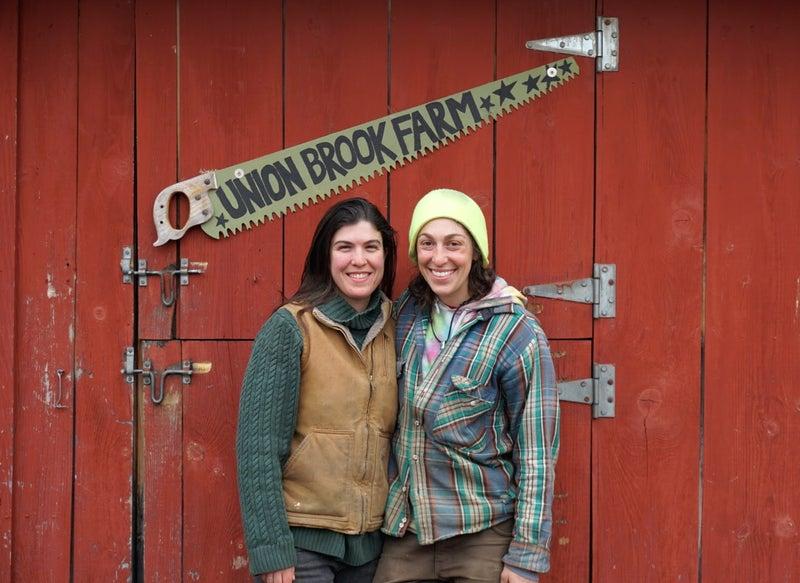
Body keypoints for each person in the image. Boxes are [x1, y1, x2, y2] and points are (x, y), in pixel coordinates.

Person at [374, 188, 560, 583]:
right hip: (406, 532)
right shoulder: (405, 314)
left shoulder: (516, 331)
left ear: (476, 251)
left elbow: (538, 454)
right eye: (427, 244)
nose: (439, 258)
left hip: (482, 534)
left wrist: (526, 556)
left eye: (453, 244)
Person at [236, 197, 398, 583]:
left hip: (369, 548)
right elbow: (258, 449)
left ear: (385, 256)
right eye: (345, 247)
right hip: (301, 547)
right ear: (326, 255)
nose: (359, 260)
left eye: (370, 247)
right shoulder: (291, 329)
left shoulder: (398, 325)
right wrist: (271, 549)